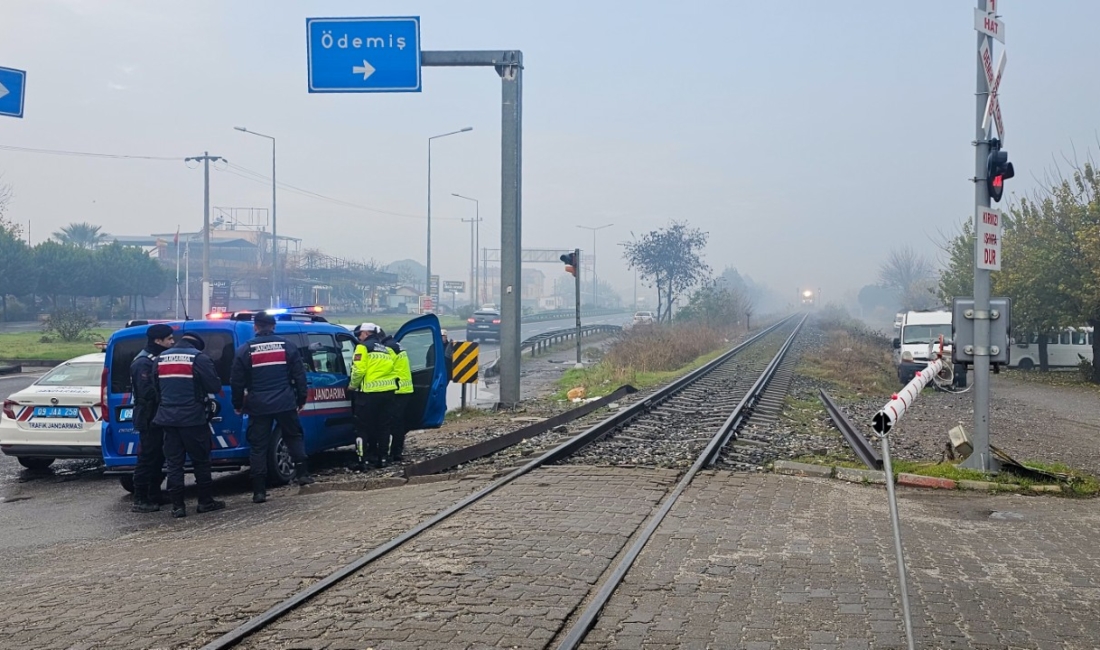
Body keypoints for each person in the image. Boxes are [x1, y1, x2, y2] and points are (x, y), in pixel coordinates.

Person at [230, 312, 314, 504]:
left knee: (258, 446)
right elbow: (300, 376)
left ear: (255, 327)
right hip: (285, 402)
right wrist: (301, 399)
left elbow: (237, 381)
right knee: (293, 436)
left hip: (258, 404)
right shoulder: (287, 346)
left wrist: (237, 405)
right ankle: (303, 474)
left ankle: (259, 491)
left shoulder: (245, 350)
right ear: (274, 326)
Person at [153, 332, 225, 518]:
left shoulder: (160, 358)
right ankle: (205, 502)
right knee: (201, 461)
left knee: (174, 464)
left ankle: (178, 507)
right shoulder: (198, 358)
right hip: (193, 419)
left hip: (168, 418)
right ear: (196, 346)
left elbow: (156, 388)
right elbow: (213, 386)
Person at [129, 323, 175, 513]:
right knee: (147, 458)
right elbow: (147, 392)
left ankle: (154, 492)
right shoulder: (143, 363)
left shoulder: (157, 358)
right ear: (158, 341)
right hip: (149, 417)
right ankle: (140, 498)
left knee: (159, 457)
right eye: (169, 339)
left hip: (158, 416)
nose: (173, 342)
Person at [349, 323, 398, 468]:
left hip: (369, 394)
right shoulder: (386, 349)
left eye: (359, 335)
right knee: (384, 427)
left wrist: (352, 386)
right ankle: (383, 459)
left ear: (365, 333)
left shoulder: (362, 347)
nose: (359, 337)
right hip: (388, 393)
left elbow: (358, 370)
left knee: (362, 427)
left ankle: (362, 460)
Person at [380, 328, 413, 463]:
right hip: (405, 389)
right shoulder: (396, 344)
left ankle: (391, 453)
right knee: (399, 423)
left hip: (396, 389)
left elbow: (384, 368)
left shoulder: (388, 348)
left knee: (390, 423)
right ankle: (397, 451)